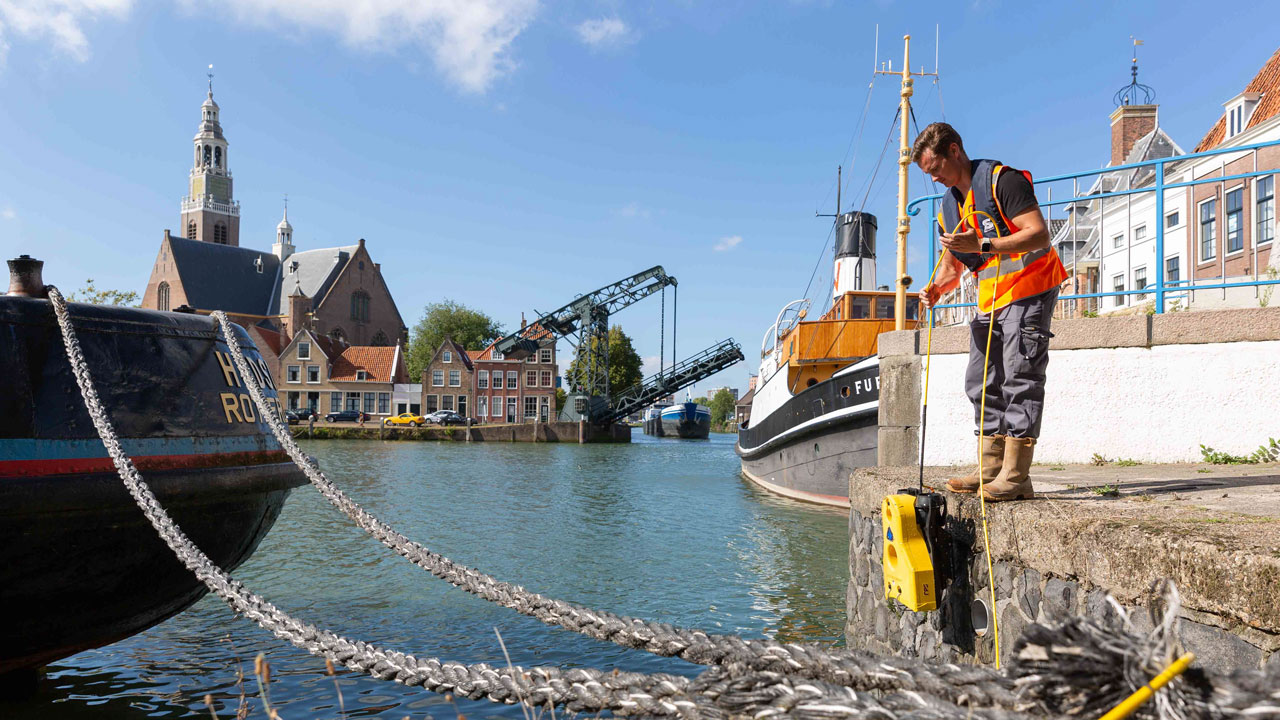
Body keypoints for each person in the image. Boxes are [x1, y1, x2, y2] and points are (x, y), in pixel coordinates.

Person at [913, 122, 1068, 502]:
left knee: (1021, 376)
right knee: (981, 382)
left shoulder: (1003, 181)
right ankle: (990, 468)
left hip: (1030, 288)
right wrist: (937, 289)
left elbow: (1038, 234)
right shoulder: (949, 207)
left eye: (935, 169)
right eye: (928, 174)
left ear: (954, 151)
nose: (934, 179)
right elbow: (953, 266)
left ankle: (1016, 477)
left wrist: (984, 243)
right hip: (992, 299)